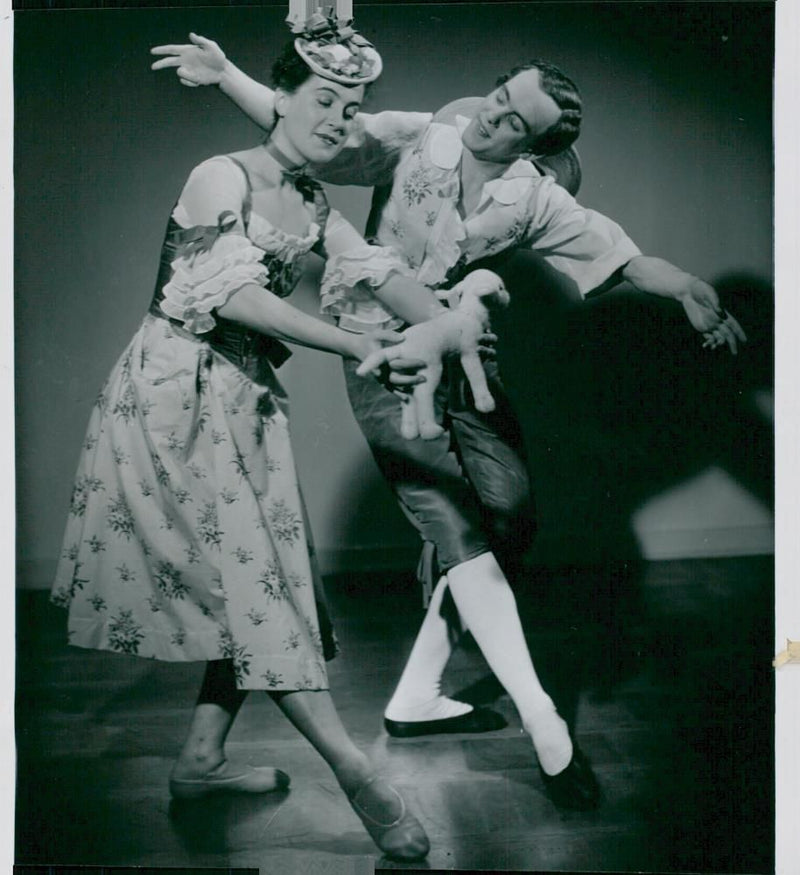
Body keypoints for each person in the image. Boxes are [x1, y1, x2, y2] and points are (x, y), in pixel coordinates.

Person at [150, 33, 746, 812]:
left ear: (536, 147)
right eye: (497, 100)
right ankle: (544, 719)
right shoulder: (418, 134)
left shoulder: (535, 199)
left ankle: (417, 695)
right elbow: (311, 125)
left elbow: (623, 256)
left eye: (511, 124)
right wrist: (227, 74)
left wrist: (690, 288)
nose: (489, 120)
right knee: (453, 521)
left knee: (510, 512)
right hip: (382, 349)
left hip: (464, 348)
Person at [49, 18, 452, 861]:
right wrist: (358, 344)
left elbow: (379, 273)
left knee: (261, 581)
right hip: (173, 393)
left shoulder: (311, 200)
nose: (341, 120)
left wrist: (450, 325)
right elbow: (234, 299)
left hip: (242, 399)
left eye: (353, 109)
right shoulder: (218, 176)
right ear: (282, 102)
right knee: (255, 592)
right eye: (325, 101)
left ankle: (199, 761)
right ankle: (357, 775)